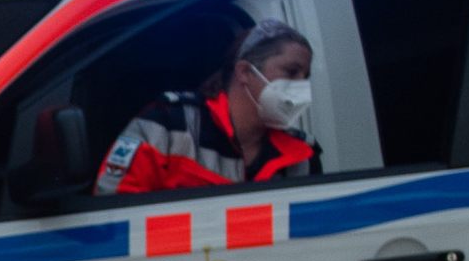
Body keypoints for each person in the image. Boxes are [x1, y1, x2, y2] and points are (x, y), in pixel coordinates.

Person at [95, 20, 320, 196]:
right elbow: (113, 216)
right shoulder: (167, 127)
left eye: (305, 76)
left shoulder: (303, 154)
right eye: (291, 72)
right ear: (244, 72)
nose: (302, 85)